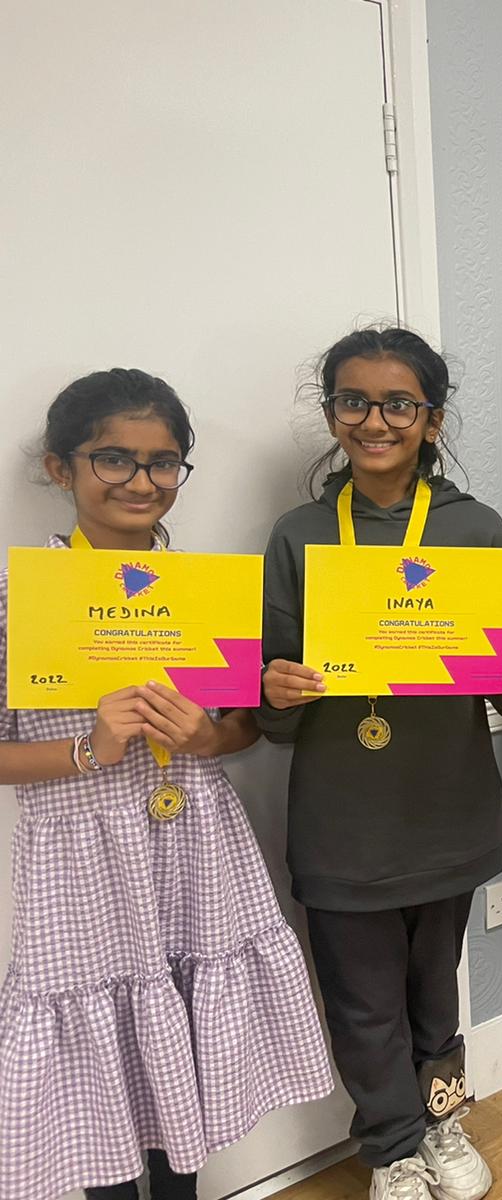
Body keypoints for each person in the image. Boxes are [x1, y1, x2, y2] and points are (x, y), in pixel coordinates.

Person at [0, 368, 330, 1200]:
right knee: (104, 1060)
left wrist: (208, 736)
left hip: (193, 843)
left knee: (182, 1039)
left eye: (162, 461)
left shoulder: (203, 591)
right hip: (82, 864)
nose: (141, 481)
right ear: (60, 467)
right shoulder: (17, 596)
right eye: (113, 459)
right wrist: (90, 749)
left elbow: (243, 723)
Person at [259, 330, 502, 1200]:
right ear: (331, 415)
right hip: (343, 819)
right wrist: (277, 688)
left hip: (448, 807)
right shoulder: (299, 535)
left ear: (433, 418)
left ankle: (442, 1119)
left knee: (433, 989)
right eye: (354, 401)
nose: (375, 421)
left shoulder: (476, 528)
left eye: (399, 404)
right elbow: (270, 717)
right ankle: (391, 1149)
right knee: (362, 1000)